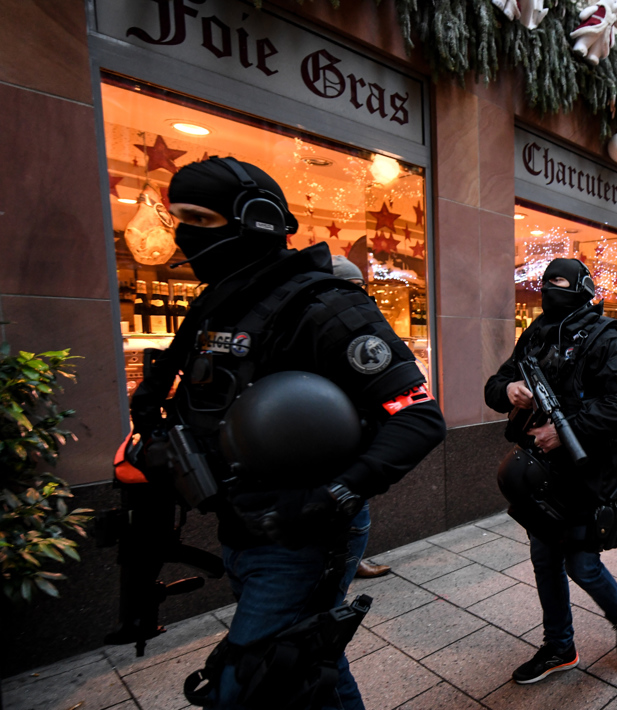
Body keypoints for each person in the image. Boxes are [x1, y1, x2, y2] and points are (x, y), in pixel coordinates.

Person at [135, 157, 446, 709]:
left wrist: (334, 496)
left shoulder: (325, 307)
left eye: (201, 220)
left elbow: (419, 416)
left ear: (255, 221)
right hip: (243, 523)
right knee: (305, 659)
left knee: (247, 683)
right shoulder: (219, 306)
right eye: (178, 217)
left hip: (304, 535)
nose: (185, 233)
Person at [484, 258, 617, 684]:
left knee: (583, 566)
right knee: (544, 558)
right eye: (546, 284)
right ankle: (560, 646)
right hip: (542, 473)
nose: (550, 291)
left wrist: (566, 429)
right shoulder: (535, 334)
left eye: (560, 283)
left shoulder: (607, 338)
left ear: (582, 288)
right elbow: (494, 384)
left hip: (589, 472)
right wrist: (509, 390)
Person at [330, 255, 392, 580]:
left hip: (358, 428)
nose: (356, 294)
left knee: (357, 503)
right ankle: (347, 561)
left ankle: (352, 559)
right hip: (328, 432)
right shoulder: (320, 324)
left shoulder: (363, 320)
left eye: (360, 287)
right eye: (349, 287)